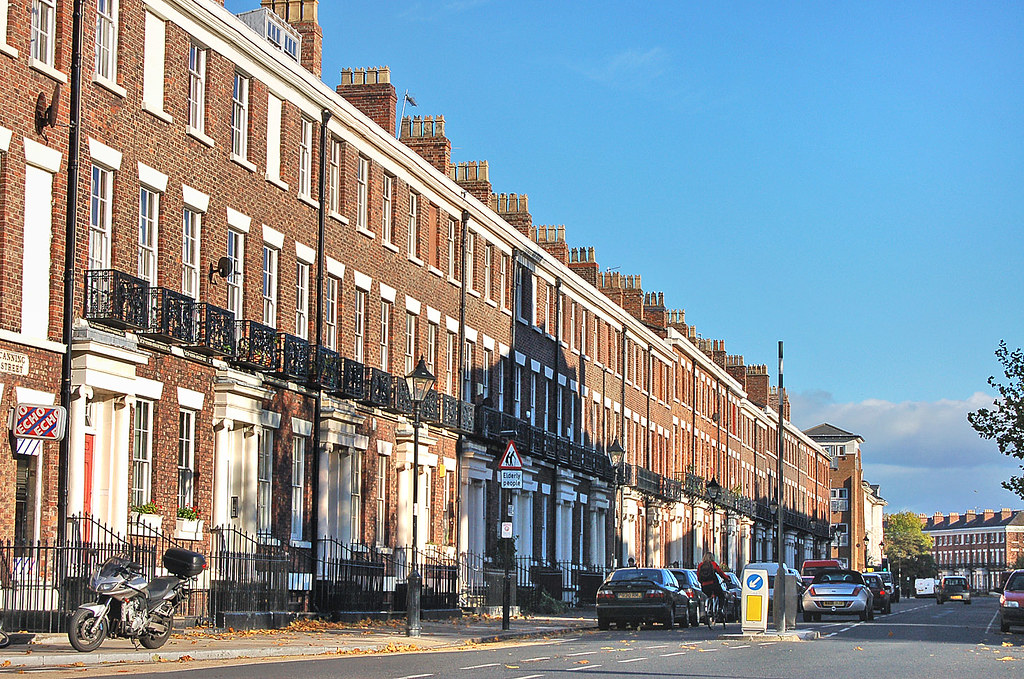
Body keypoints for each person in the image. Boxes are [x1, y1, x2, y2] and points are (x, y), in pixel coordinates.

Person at [697, 552, 727, 619]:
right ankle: (720, 609)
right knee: (721, 596)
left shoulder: (700, 565)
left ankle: (707, 609)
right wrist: (726, 578)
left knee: (707, 596)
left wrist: (702, 582)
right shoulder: (713, 564)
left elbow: (698, 576)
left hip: (704, 586)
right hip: (713, 584)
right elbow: (720, 572)